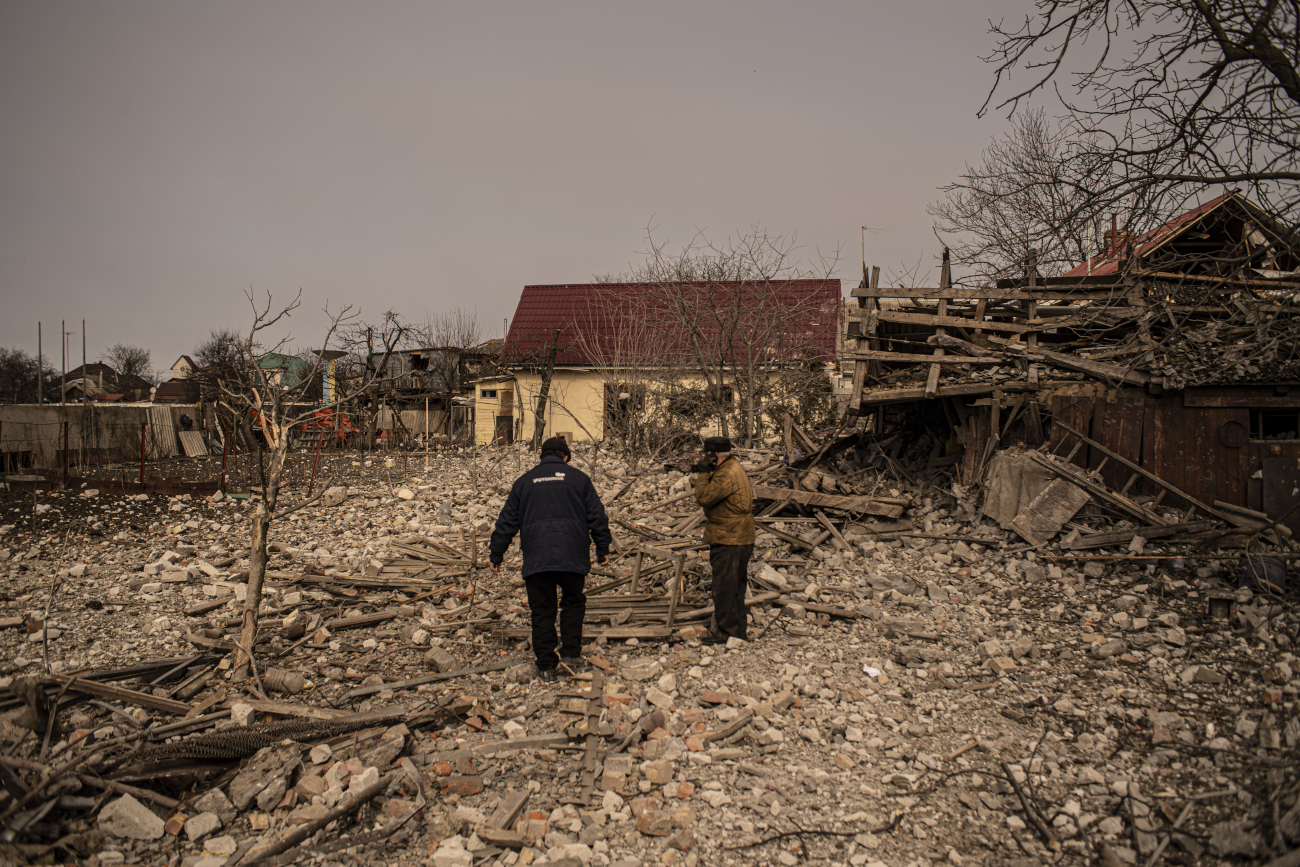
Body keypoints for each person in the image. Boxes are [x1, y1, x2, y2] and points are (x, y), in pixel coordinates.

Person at [489, 437, 612, 681]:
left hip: (537, 557)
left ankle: (545, 665)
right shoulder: (580, 480)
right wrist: (602, 548)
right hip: (573, 555)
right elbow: (597, 516)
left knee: (542, 610)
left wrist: (496, 554)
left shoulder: (524, 482)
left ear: (541, 456)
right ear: (565, 457)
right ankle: (570, 655)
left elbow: (507, 521)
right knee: (573, 604)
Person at [692, 435, 755, 644]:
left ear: (714, 454)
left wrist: (703, 473)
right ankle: (737, 632)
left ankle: (726, 633)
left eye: (706, 454)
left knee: (725, 587)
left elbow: (704, 497)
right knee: (735, 587)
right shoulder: (731, 468)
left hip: (730, 538)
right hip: (737, 536)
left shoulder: (726, 473)